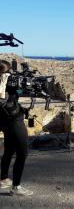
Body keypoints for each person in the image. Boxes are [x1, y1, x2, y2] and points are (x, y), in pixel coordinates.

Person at [0, 60, 33, 196]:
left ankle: (3, 179)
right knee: (22, 153)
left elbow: (16, 94)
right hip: (13, 122)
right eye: (8, 73)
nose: (11, 76)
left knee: (9, 150)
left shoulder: (7, 85)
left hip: (7, 121)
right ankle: (16, 187)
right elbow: (2, 100)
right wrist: (2, 84)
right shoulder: (1, 85)